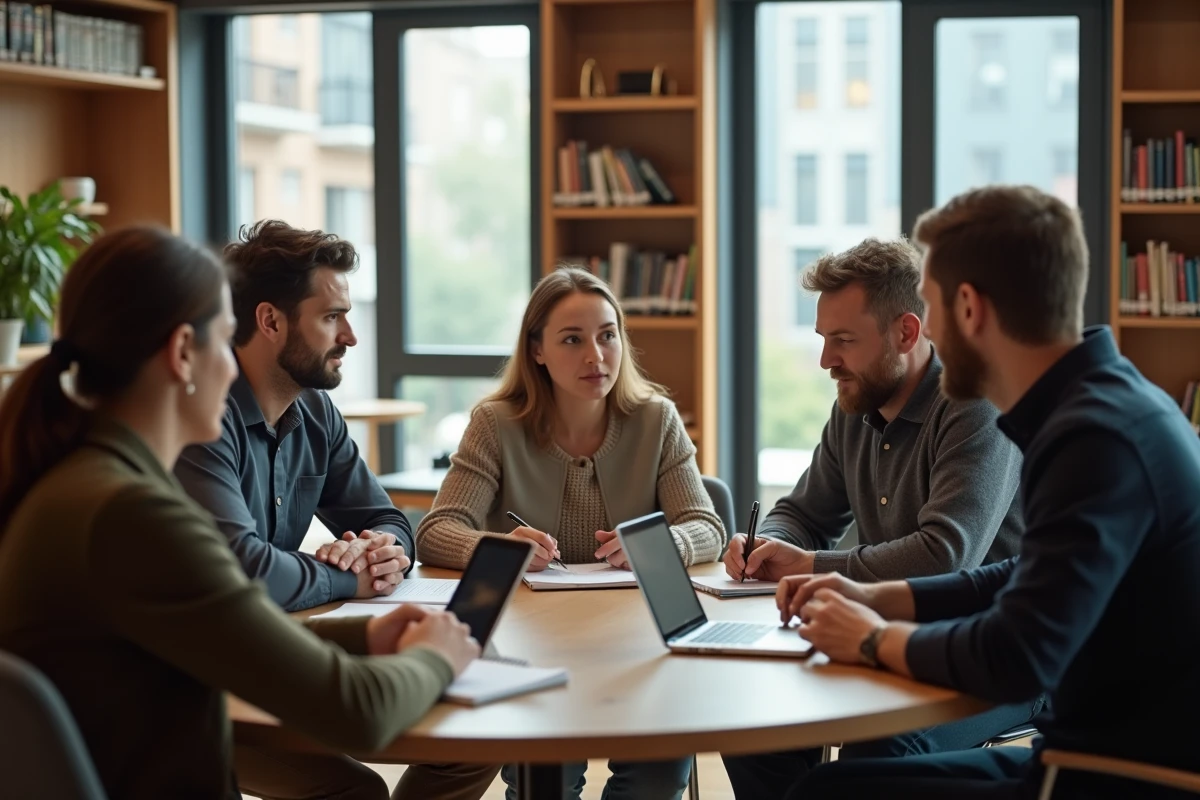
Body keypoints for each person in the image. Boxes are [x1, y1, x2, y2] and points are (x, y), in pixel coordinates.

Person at [0, 226, 480, 800]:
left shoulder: (84, 484)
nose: (232, 370)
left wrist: (368, 633)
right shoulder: (133, 516)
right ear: (182, 354)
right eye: (225, 341)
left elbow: (220, 628)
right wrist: (438, 657)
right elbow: (359, 711)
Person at [782, 185, 1200, 799]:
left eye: (932, 305)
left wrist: (872, 636)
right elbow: (1018, 574)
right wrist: (878, 595)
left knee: (831, 793)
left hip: (1115, 777)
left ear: (970, 307)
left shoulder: (1094, 438)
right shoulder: (1101, 405)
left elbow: (1016, 655)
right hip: (1082, 751)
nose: (926, 333)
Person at [174, 219, 499, 800]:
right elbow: (244, 571)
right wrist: (344, 574)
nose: (350, 336)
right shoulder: (204, 417)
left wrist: (381, 552)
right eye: (331, 318)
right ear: (270, 321)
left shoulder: (316, 413)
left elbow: (393, 521)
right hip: (200, 684)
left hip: (279, 646)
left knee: (471, 748)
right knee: (356, 792)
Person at [719, 238, 1034, 797]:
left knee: (877, 754)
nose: (825, 361)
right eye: (823, 340)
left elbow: (944, 554)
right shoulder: (856, 403)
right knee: (750, 725)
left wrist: (812, 564)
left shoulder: (977, 404)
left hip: (999, 649)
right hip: (881, 635)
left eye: (843, 341)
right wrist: (765, 542)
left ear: (907, 334)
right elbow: (801, 512)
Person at [417, 266, 727, 800]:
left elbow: (706, 527)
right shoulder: (496, 424)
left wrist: (659, 546)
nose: (596, 356)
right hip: (528, 645)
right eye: (572, 340)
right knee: (546, 781)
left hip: (640, 643)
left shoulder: (657, 419)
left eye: (608, 335)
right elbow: (437, 531)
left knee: (653, 781)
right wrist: (498, 549)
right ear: (536, 350)